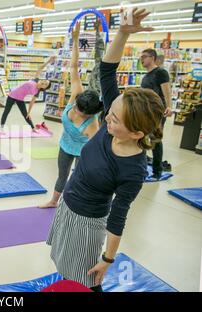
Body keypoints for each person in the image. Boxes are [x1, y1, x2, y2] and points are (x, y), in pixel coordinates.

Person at [46, 8, 164, 292]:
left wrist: (108, 259)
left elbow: (118, 215)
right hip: (68, 207)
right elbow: (107, 69)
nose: (106, 119)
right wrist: (123, 33)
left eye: (113, 119)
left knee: (86, 278)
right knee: (63, 266)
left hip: (88, 222)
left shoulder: (132, 169)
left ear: (136, 133)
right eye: (109, 113)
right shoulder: (115, 114)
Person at [40, 21, 103, 209]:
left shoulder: (92, 125)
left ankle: (74, 203)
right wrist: (75, 40)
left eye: (79, 112)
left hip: (81, 151)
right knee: (62, 175)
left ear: (90, 113)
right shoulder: (77, 92)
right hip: (65, 145)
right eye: (75, 107)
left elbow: (98, 149)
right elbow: (74, 66)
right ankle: (53, 201)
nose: (74, 110)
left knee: (78, 176)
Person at [140, 48, 173, 180]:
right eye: (141, 57)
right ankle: (142, 168)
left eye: (144, 56)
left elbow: (167, 91)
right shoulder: (146, 76)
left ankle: (157, 172)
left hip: (158, 112)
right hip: (146, 111)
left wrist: (169, 106)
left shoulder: (160, 72)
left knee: (155, 140)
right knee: (141, 138)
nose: (142, 59)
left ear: (153, 57)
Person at [0, 56, 54, 132]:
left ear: (44, 88)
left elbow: (32, 102)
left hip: (20, 98)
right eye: (45, 81)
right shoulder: (36, 79)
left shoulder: (37, 92)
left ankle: (33, 128)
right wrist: (48, 61)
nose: (44, 82)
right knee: (6, 111)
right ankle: (1, 128)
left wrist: (29, 112)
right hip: (12, 95)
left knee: (26, 114)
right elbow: (40, 68)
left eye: (45, 84)